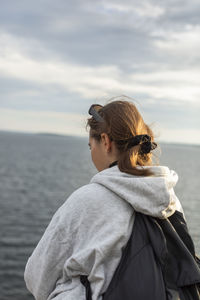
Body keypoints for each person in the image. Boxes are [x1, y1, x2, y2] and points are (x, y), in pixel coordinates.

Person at [24, 97, 186, 300]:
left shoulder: (88, 199)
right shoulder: (170, 200)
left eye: (90, 145)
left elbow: (37, 277)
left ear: (106, 142)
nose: (91, 151)